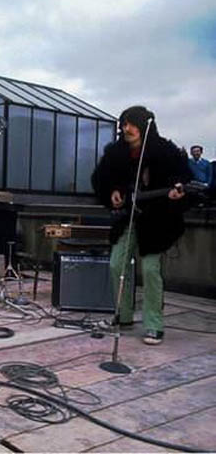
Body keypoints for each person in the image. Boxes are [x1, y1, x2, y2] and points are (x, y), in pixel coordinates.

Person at [91, 106, 191, 346]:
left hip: (156, 221)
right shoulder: (116, 152)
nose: (127, 129)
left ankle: (154, 325)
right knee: (116, 264)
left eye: (131, 124)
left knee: (150, 270)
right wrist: (112, 192)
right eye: (124, 124)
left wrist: (178, 192)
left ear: (144, 126)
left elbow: (183, 178)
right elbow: (100, 179)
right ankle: (123, 317)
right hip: (128, 218)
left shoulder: (165, 150)